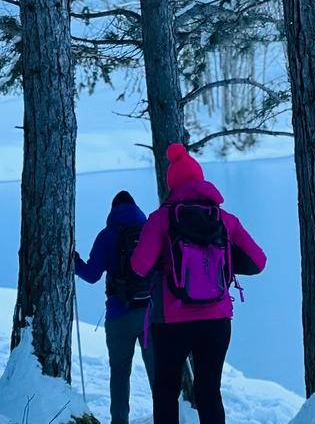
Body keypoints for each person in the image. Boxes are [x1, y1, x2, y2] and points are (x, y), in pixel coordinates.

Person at [131, 143, 267, 424]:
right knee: (209, 392)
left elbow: (139, 267)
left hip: (171, 322)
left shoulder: (161, 219)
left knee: (166, 391)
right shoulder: (224, 219)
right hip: (216, 321)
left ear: (172, 185)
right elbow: (258, 262)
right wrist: (225, 263)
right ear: (201, 180)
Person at [74, 190, 154, 424]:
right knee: (157, 373)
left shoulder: (107, 235)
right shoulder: (150, 232)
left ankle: (120, 421)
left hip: (119, 316)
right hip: (150, 314)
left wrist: (74, 261)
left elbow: (91, 275)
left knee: (120, 373)